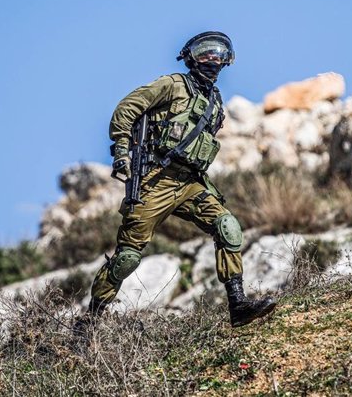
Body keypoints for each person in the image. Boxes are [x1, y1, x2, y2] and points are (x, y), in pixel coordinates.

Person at [87, 31, 276, 327]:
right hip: (155, 180)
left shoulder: (214, 101)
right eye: (205, 53)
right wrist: (122, 152)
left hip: (190, 183)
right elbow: (126, 109)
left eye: (218, 54)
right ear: (190, 57)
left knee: (228, 227)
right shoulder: (172, 85)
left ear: (227, 61)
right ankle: (88, 323)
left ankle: (238, 305)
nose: (212, 59)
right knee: (127, 258)